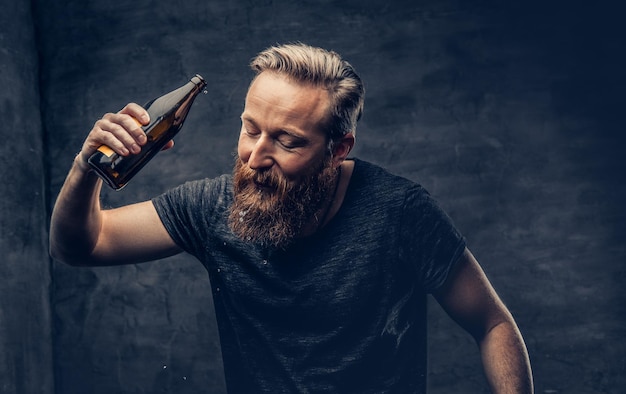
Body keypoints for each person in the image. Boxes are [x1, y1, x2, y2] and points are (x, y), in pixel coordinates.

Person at [50, 43, 533, 393]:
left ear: (337, 149)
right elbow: (78, 246)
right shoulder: (210, 206)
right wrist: (85, 167)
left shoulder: (400, 212)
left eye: (287, 141)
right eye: (250, 129)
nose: (255, 156)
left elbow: (492, 324)